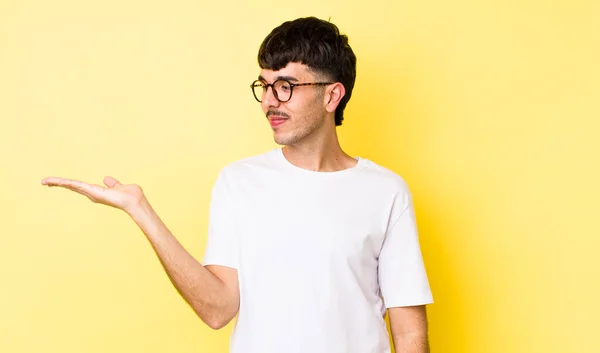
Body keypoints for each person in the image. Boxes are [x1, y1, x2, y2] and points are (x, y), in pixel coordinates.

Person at [41, 16, 434, 353]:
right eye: (264, 85)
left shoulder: (386, 191)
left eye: (286, 86)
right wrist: (140, 210)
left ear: (332, 95)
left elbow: (408, 328)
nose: (269, 102)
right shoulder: (239, 182)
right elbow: (217, 309)